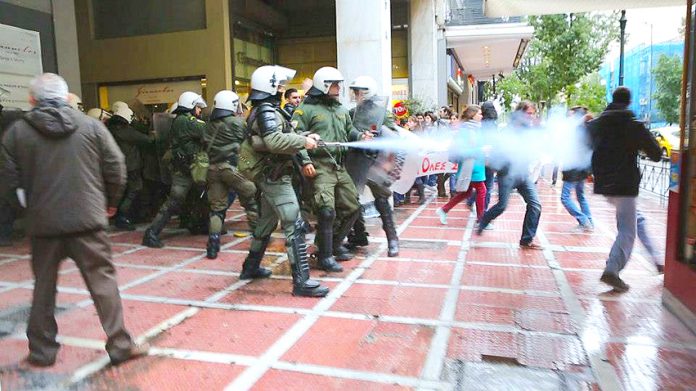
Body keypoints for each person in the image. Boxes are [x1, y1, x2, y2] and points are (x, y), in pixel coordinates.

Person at [0, 73, 148, 366]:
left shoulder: (16, 133)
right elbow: (116, 168)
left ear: (32, 100)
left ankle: (42, 351)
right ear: (67, 98)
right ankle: (119, 345)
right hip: (88, 222)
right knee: (103, 284)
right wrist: (110, 203)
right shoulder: (91, 126)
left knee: (43, 288)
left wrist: (26, 212)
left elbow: (8, 181)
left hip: (44, 226)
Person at [238, 65, 328, 297]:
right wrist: (303, 142)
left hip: (272, 174)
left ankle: (250, 267)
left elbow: (279, 137)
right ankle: (302, 282)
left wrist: (303, 138)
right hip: (274, 176)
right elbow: (275, 142)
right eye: (279, 85)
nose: (282, 89)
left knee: (266, 223)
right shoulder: (267, 111)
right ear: (268, 86)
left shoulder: (264, 109)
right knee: (294, 224)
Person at [292, 67, 373, 273]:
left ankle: (333, 244)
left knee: (353, 207)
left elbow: (348, 131)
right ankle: (324, 256)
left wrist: (360, 136)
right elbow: (296, 136)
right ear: (324, 85)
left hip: (338, 165)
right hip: (319, 166)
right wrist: (305, 161)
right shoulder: (305, 109)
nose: (338, 88)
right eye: (335, 84)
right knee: (326, 210)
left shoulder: (340, 109)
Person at [588, 87, 663, 292]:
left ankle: (657, 259)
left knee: (636, 220)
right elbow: (656, 153)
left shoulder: (598, 124)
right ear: (629, 102)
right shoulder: (633, 125)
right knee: (628, 231)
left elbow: (581, 143)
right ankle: (612, 270)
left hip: (605, 184)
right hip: (625, 185)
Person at [142, 91, 207, 248]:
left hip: (189, 168)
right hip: (184, 170)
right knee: (174, 201)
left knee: (200, 197)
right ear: (190, 106)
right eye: (198, 108)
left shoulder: (181, 120)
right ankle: (151, 233)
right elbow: (209, 131)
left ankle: (195, 223)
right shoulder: (186, 121)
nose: (199, 111)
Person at [344, 75, 399, 257]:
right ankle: (358, 235)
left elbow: (392, 138)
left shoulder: (383, 114)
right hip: (356, 160)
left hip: (376, 162)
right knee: (352, 199)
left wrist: (389, 165)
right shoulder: (352, 113)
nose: (356, 95)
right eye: (355, 92)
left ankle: (392, 239)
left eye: (358, 92)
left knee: (382, 200)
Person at [476, 100, 543, 250]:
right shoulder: (508, 130)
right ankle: (484, 220)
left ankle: (527, 239)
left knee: (535, 205)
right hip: (507, 173)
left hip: (523, 173)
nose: (531, 117)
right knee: (501, 206)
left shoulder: (529, 131)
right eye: (528, 113)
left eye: (532, 114)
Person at [204, 90, 259, 259]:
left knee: (217, 210)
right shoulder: (237, 122)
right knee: (250, 200)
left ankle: (213, 244)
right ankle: (259, 238)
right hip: (232, 169)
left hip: (212, 170)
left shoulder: (208, 125)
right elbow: (251, 140)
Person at [436, 105, 488, 225]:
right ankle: (481, 220)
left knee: (467, 192)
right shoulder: (466, 131)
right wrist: (482, 150)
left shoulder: (475, 129)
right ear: (472, 115)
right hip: (470, 168)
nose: (482, 116)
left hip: (475, 166)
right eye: (479, 113)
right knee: (482, 190)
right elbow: (463, 152)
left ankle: (444, 210)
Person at [106, 103, 155, 230]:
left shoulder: (110, 128)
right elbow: (147, 140)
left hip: (117, 166)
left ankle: (120, 215)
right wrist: (153, 134)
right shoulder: (125, 130)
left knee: (122, 192)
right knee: (135, 189)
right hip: (131, 165)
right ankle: (122, 216)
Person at [560, 106, 594, 232]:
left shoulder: (577, 129)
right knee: (581, 196)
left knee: (565, 197)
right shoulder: (585, 128)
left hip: (573, 167)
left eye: (571, 115)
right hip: (582, 167)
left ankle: (584, 220)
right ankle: (589, 221)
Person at [467, 100, 498, 210]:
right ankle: (483, 212)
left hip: (480, 158)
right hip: (489, 159)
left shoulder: (480, 124)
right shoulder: (493, 125)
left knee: (482, 186)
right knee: (487, 187)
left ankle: (471, 201)